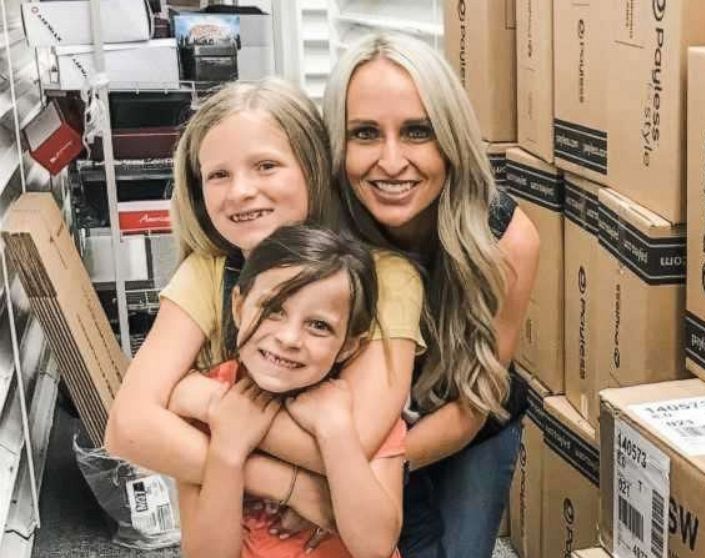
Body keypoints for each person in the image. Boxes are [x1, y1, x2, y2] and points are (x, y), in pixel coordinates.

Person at [105, 78, 425, 540]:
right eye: (218, 175)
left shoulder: (385, 277)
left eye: (266, 166)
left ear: (313, 168)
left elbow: (354, 440)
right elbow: (129, 428)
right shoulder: (207, 273)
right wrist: (291, 486)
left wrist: (212, 404)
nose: (240, 192)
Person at [322, 33, 540, 558]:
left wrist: (369, 468)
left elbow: (474, 402)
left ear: (451, 138)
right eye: (365, 134)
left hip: (463, 420)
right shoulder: (323, 231)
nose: (391, 161)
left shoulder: (506, 242)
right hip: (355, 430)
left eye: (417, 131)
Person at [177, 224, 404, 558]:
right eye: (273, 310)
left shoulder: (359, 408)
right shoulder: (208, 400)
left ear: (348, 346)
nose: (289, 338)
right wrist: (227, 449)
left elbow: (376, 547)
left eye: (319, 325)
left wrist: (336, 430)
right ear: (238, 306)